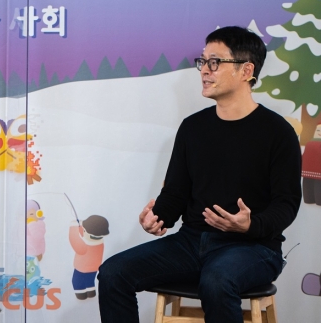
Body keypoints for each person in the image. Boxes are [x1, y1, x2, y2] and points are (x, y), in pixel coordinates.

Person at [97, 27, 302, 323]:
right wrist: (158, 217)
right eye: (203, 61)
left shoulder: (277, 132)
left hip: (254, 248)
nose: (205, 70)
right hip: (192, 242)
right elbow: (176, 192)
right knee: (114, 272)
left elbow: (286, 204)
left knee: (217, 281)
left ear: (246, 71)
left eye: (215, 62)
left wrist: (250, 225)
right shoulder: (193, 128)